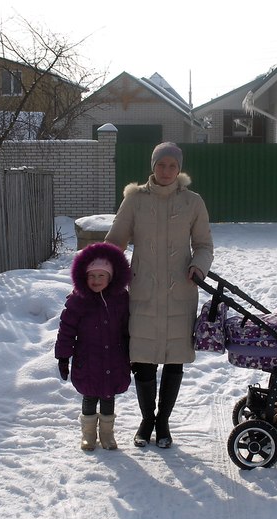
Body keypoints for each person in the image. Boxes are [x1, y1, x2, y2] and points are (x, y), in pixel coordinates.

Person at [105, 142, 214, 448]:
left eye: (172, 166)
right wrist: (97, 270)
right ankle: (146, 420)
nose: (166, 171)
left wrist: (198, 267)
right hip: (143, 290)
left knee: (174, 360)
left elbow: (204, 245)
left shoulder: (193, 202)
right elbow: (115, 241)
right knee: (143, 359)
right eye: (161, 165)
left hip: (181, 289)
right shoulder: (135, 200)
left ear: (180, 170)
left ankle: (163, 423)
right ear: (152, 166)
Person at [55, 242, 131, 451]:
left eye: (101, 276)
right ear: (83, 276)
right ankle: (88, 434)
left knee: (108, 396)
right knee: (89, 396)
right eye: (92, 276)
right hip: (87, 359)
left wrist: (132, 355)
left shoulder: (121, 299)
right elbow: (67, 330)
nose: (96, 281)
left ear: (111, 277)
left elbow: (129, 329)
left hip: (114, 359)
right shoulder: (78, 300)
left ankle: (107, 434)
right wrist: (63, 357)